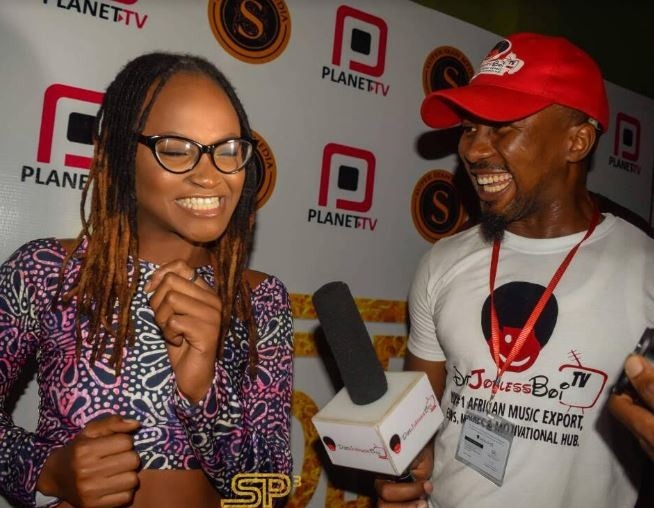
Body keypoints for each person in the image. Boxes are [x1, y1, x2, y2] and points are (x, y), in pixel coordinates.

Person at [0, 52, 293, 508]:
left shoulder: (260, 298)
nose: (209, 176)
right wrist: (47, 470)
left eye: (227, 150)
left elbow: (270, 488)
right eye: (176, 149)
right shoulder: (45, 271)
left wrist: (204, 388)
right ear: (119, 153)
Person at [375, 32, 654, 508]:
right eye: (469, 127)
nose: (473, 150)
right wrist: (400, 476)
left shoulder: (644, 271)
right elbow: (415, 426)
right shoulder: (442, 261)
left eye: (502, 126)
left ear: (577, 141)